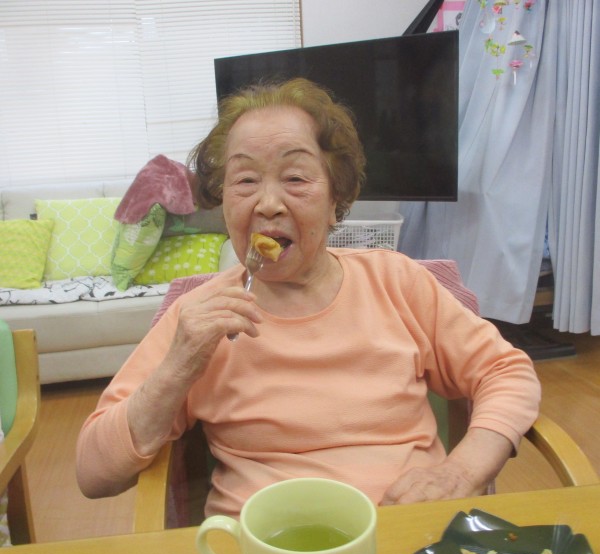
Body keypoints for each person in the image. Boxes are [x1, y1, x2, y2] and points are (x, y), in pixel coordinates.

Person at [76, 78, 540, 518]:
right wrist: (178, 366)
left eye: (296, 178)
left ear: (336, 198)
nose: (268, 203)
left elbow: (506, 372)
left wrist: (461, 472)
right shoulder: (197, 318)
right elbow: (94, 474)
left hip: (406, 534)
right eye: (245, 181)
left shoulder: (396, 282)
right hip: (260, 548)